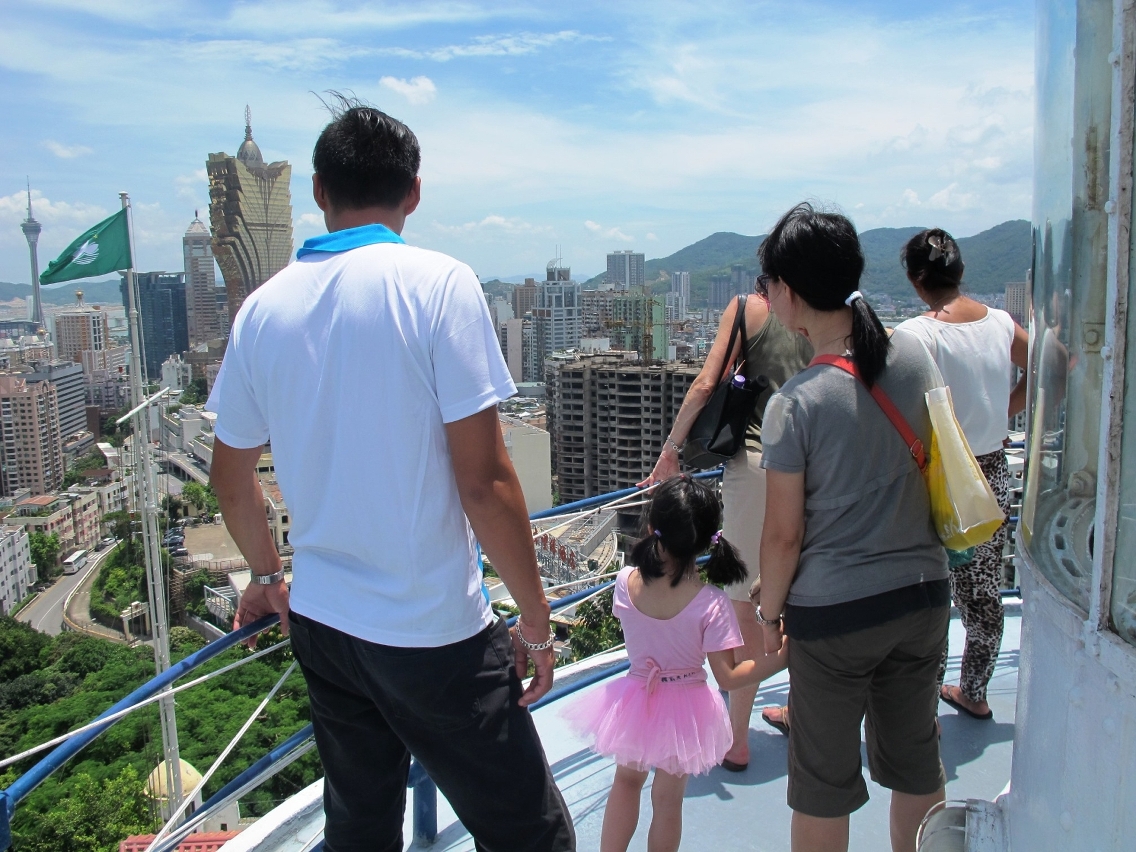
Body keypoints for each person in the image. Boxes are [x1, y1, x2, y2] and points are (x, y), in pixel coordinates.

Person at [207, 98, 574, 852]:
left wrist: (267, 575)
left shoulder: (261, 311)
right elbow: (486, 482)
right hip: (430, 631)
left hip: (323, 622)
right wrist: (534, 621)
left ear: (317, 190)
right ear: (413, 191)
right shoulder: (438, 284)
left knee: (361, 828)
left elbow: (230, 479)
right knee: (529, 834)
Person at [755, 203, 950, 852]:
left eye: (769, 286)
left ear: (788, 291)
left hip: (835, 618)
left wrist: (769, 613)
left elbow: (784, 537)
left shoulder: (795, 404)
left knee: (822, 785)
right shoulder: (915, 362)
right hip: (923, 595)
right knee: (918, 764)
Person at [567, 475, 788, 852]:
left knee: (625, 784)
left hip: (635, 697)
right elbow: (729, 678)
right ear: (705, 541)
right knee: (668, 802)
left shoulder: (624, 582)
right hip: (685, 709)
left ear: (653, 528)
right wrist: (782, 657)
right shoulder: (711, 603)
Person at [640, 289, 811, 770]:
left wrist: (671, 450)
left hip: (760, 466)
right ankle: (804, 710)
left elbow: (704, 384)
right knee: (806, 590)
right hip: (817, 464)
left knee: (746, 605)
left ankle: (736, 739)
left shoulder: (749, 309)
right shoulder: (826, 309)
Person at [897, 229, 1029, 721]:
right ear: (961, 272)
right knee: (983, 592)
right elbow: (1055, 363)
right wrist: (1005, 411)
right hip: (990, 471)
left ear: (915, 279)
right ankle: (974, 691)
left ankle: (921, 703)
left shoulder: (917, 333)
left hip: (936, 477)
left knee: (929, 593)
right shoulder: (1000, 322)